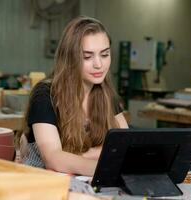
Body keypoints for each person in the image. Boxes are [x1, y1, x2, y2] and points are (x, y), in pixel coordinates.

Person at [19, 16, 128, 176]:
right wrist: (105, 165)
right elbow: (52, 158)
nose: (99, 64)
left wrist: (77, 157)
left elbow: (125, 142)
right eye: (87, 57)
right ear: (70, 58)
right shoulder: (45, 94)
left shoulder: (106, 93)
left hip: (85, 180)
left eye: (104, 55)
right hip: (44, 184)